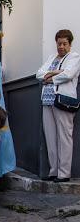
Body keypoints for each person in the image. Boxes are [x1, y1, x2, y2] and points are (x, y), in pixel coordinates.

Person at [36, 29, 80, 182]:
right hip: (47, 101)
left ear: (70, 44)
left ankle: (64, 173)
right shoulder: (51, 57)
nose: (61, 46)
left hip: (63, 101)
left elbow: (68, 74)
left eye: (64, 43)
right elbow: (39, 74)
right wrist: (56, 72)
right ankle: (53, 171)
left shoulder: (74, 57)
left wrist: (50, 77)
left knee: (64, 137)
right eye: (59, 43)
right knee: (50, 137)